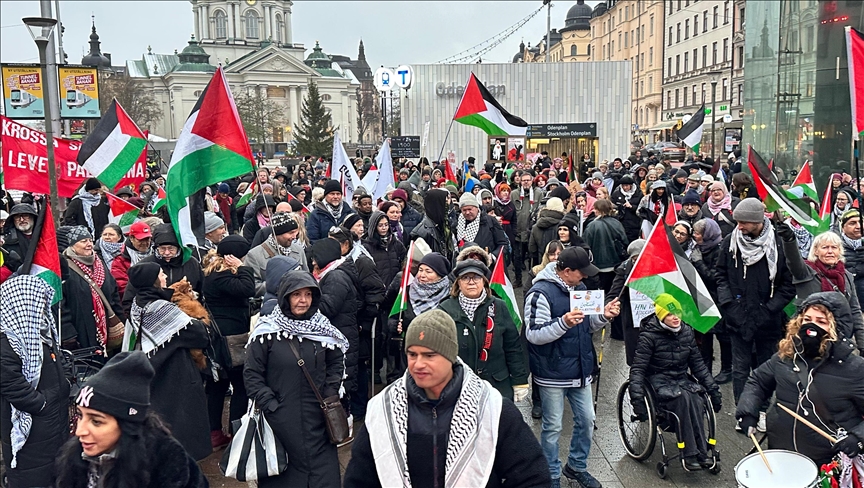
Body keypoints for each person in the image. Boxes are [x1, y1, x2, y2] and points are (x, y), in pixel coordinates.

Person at [343, 310, 551, 488]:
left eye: (429, 355)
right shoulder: (384, 410)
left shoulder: (491, 408)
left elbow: (533, 476)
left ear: (450, 355)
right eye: (412, 354)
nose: (418, 364)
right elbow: (358, 480)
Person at [524, 247, 621, 488]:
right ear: (566, 271)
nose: (586, 277)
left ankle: (576, 466)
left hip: (580, 369)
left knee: (587, 420)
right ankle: (551, 472)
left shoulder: (581, 289)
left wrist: (604, 316)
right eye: (582, 272)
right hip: (552, 371)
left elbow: (587, 326)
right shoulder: (540, 293)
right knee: (553, 425)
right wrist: (563, 322)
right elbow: (534, 334)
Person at [735, 292, 864, 466]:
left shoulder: (855, 368)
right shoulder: (786, 356)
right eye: (807, 319)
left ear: (837, 328)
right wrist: (748, 411)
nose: (811, 326)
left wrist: (857, 437)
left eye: (821, 321)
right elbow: (758, 380)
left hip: (828, 463)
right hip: (781, 451)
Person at [244, 270, 347, 487]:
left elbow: (337, 361)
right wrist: (271, 404)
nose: (303, 301)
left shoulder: (323, 329)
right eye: (296, 294)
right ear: (285, 297)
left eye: (308, 294)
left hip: (318, 420)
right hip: (281, 423)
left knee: (324, 478)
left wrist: (330, 390)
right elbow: (252, 374)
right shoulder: (267, 333)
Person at [53, 351, 208, 488]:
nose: (80, 431)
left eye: (96, 421)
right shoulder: (74, 460)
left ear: (127, 424)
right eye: (80, 415)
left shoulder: (167, 464)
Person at [715, 199, 795, 431]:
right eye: (738, 222)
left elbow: (788, 285)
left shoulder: (778, 244)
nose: (739, 226)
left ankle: (760, 410)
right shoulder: (731, 242)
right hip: (737, 318)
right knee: (740, 369)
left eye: (744, 222)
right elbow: (721, 275)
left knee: (764, 369)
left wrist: (768, 311)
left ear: (759, 221)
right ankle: (743, 412)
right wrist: (730, 305)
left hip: (767, 320)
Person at [126, 262, 211, 461]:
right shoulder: (161, 307)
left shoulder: (138, 303)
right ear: (152, 280)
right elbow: (199, 334)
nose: (165, 277)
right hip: (175, 373)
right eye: (161, 274)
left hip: (154, 372)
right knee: (181, 426)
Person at [628, 294, 722, 471]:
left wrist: (713, 389)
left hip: (680, 379)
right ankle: (689, 453)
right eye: (670, 314)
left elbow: (698, 365)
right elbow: (638, 369)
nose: (676, 317)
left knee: (696, 398)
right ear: (662, 316)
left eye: (678, 312)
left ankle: (702, 452)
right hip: (658, 382)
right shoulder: (649, 336)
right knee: (683, 400)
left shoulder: (686, 331)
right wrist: (637, 400)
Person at [1, 276, 70, 488]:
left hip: (52, 420)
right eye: (38, 302)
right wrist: (41, 404)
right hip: (34, 421)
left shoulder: (41, 333)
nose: (43, 309)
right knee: (32, 476)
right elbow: (11, 383)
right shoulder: (7, 339)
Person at [437, 259, 528, 400]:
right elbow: (437, 351)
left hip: (497, 387)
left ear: (484, 281)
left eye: (476, 277)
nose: (471, 282)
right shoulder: (445, 309)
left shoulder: (499, 306)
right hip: (458, 387)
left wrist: (519, 381)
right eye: (465, 277)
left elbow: (513, 347)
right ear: (458, 283)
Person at [201, 235, 254, 448]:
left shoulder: (213, 271)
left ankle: (215, 431)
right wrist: (243, 268)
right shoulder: (221, 275)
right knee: (238, 385)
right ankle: (236, 430)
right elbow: (247, 288)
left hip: (220, 337)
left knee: (218, 386)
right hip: (229, 339)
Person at [776, 226, 864, 353]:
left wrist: (862, 344)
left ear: (840, 251)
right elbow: (793, 259)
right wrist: (789, 240)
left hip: (839, 339)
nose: (830, 251)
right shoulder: (805, 272)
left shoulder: (847, 276)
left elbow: (855, 311)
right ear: (816, 251)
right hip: (809, 337)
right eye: (825, 247)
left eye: (834, 247)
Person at [310, 238, 362, 419]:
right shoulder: (330, 274)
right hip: (340, 332)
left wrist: (311, 298)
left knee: (341, 381)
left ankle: (342, 423)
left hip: (341, 333)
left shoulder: (335, 277)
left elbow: (328, 307)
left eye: (315, 258)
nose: (313, 262)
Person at [386, 252, 452, 382]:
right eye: (421, 270)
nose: (422, 275)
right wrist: (395, 325)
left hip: (437, 353)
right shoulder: (407, 291)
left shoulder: (449, 296)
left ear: (440, 275)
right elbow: (392, 317)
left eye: (428, 271)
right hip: (409, 355)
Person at [61, 226, 125, 353]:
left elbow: (113, 294)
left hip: (106, 329)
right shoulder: (64, 267)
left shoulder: (99, 263)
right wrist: (68, 336)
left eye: (90, 240)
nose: (89, 244)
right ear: (72, 245)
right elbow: (61, 305)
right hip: (81, 332)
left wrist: (121, 320)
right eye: (83, 241)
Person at [120, 223, 204, 318]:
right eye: (162, 249)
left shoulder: (191, 263)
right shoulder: (145, 266)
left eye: (171, 249)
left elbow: (202, 293)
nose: (167, 253)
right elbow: (129, 300)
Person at [691, 219, 732, 383]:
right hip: (703, 298)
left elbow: (714, 277)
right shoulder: (699, 249)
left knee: (723, 336)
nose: (694, 236)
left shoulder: (719, 250)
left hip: (718, 299)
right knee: (705, 335)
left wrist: (699, 262)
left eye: (698, 233)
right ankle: (705, 370)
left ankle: (727, 369)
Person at [244, 212, 308, 297]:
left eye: (295, 232)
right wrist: (276, 285)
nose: (294, 237)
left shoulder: (299, 250)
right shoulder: (254, 255)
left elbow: (307, 276)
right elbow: (252, 286)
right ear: (277, 234)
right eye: (290, 233)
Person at [582, 199, 628, 294]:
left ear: (599, 210)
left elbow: (585, 245)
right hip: (616, 264)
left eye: (595, 209)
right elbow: (625, 241)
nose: (593, 211)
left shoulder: (592, 226)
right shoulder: (617, 223)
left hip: (598, 265)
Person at [453, 192, 509, 258]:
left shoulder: (490, 221)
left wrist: (493, 256)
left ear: (477, 207)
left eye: (470, 209)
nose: (467, 212)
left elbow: (503, 244)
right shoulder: (457, 224)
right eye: (464, 210)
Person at [362, 209, 407, 289]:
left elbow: (404, 262)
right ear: (374, 227)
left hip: (396, 288)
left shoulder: (396, 243)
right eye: (380, 225)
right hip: (378, 289)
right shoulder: (367, 247)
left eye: (386, 225)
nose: (384, 228)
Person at [411, 189, 455, 262]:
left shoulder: (444, 226)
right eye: (445, 204)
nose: (448, 209)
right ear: (437, 206)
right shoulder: (421, 232)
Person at [110, 221, 153, 297]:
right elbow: (121, 286)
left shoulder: (156, 254)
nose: (144, 243)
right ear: (131, 238)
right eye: (141, 240)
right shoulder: (120, 260)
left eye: (147, 239)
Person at [514, 172, 542, 287]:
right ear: (520, 181)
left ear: (532, 181)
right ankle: (518, 279)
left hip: (532, 232)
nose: (526, 182)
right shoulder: (514, 194)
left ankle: (533, 280)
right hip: (518, 231)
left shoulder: (538, 193)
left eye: (528, 180)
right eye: (523, 180)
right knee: (517, 257)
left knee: (533, 257)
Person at [529, 197, 566, 266]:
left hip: (541, 263)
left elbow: (532, 249)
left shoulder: (536, 226)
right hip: (560, 264)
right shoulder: (563, 227)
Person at [3, 203, 38, 273]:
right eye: (17, 217)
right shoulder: (7, 243)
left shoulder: (45, 238)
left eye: (25, 215)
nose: (21, 219)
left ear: (33, 217)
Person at [610, 174, 643, 243]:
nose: (625, 188)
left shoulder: (639, 194)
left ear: (631, 185)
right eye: (623, 186)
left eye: (627, 185)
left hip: (634, 223)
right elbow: (612, 204)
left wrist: (632, 207)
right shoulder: (616, 194)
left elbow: (642, 208)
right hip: (621, 222)